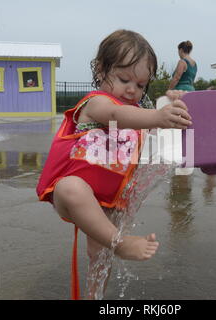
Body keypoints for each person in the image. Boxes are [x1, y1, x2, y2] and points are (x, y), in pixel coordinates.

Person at [36, 29, 192, 300]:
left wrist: (174, 103)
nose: (132, 89)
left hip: (108, 204)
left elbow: (154, 130)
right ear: (100, 69)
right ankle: (119, 244)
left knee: (99, 254)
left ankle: (96, 296)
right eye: (124, 79)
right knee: (72, 188)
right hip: (70, 195)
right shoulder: (96, 103)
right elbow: (116, 114)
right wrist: (156, 115)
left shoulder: (139, 114)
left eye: (141, 85)